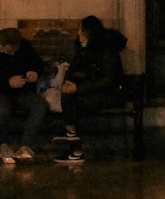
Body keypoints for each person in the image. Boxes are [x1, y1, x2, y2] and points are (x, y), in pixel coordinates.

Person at [54, 15, 127, 165]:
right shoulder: (83, 51)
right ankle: (72, 136)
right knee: (68, 95)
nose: (79, 36)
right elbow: (74, 69)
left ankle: (74, 143)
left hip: (109, 94)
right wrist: (69, 82)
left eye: (82, 32)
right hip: (90, 91)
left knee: (74, 102)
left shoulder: (107, 51)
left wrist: (78, 88)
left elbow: (108, 81)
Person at [0, 27, 48, 164]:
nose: (13, 53)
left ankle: (25, 146)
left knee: (40, 105)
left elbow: (38, 64)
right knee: (1, 110)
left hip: (23, 92)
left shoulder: (24, 47)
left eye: (15, 49)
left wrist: (34, 73)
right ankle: (3, 145)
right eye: (9, 51)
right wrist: (7, 82)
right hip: (2, 93)